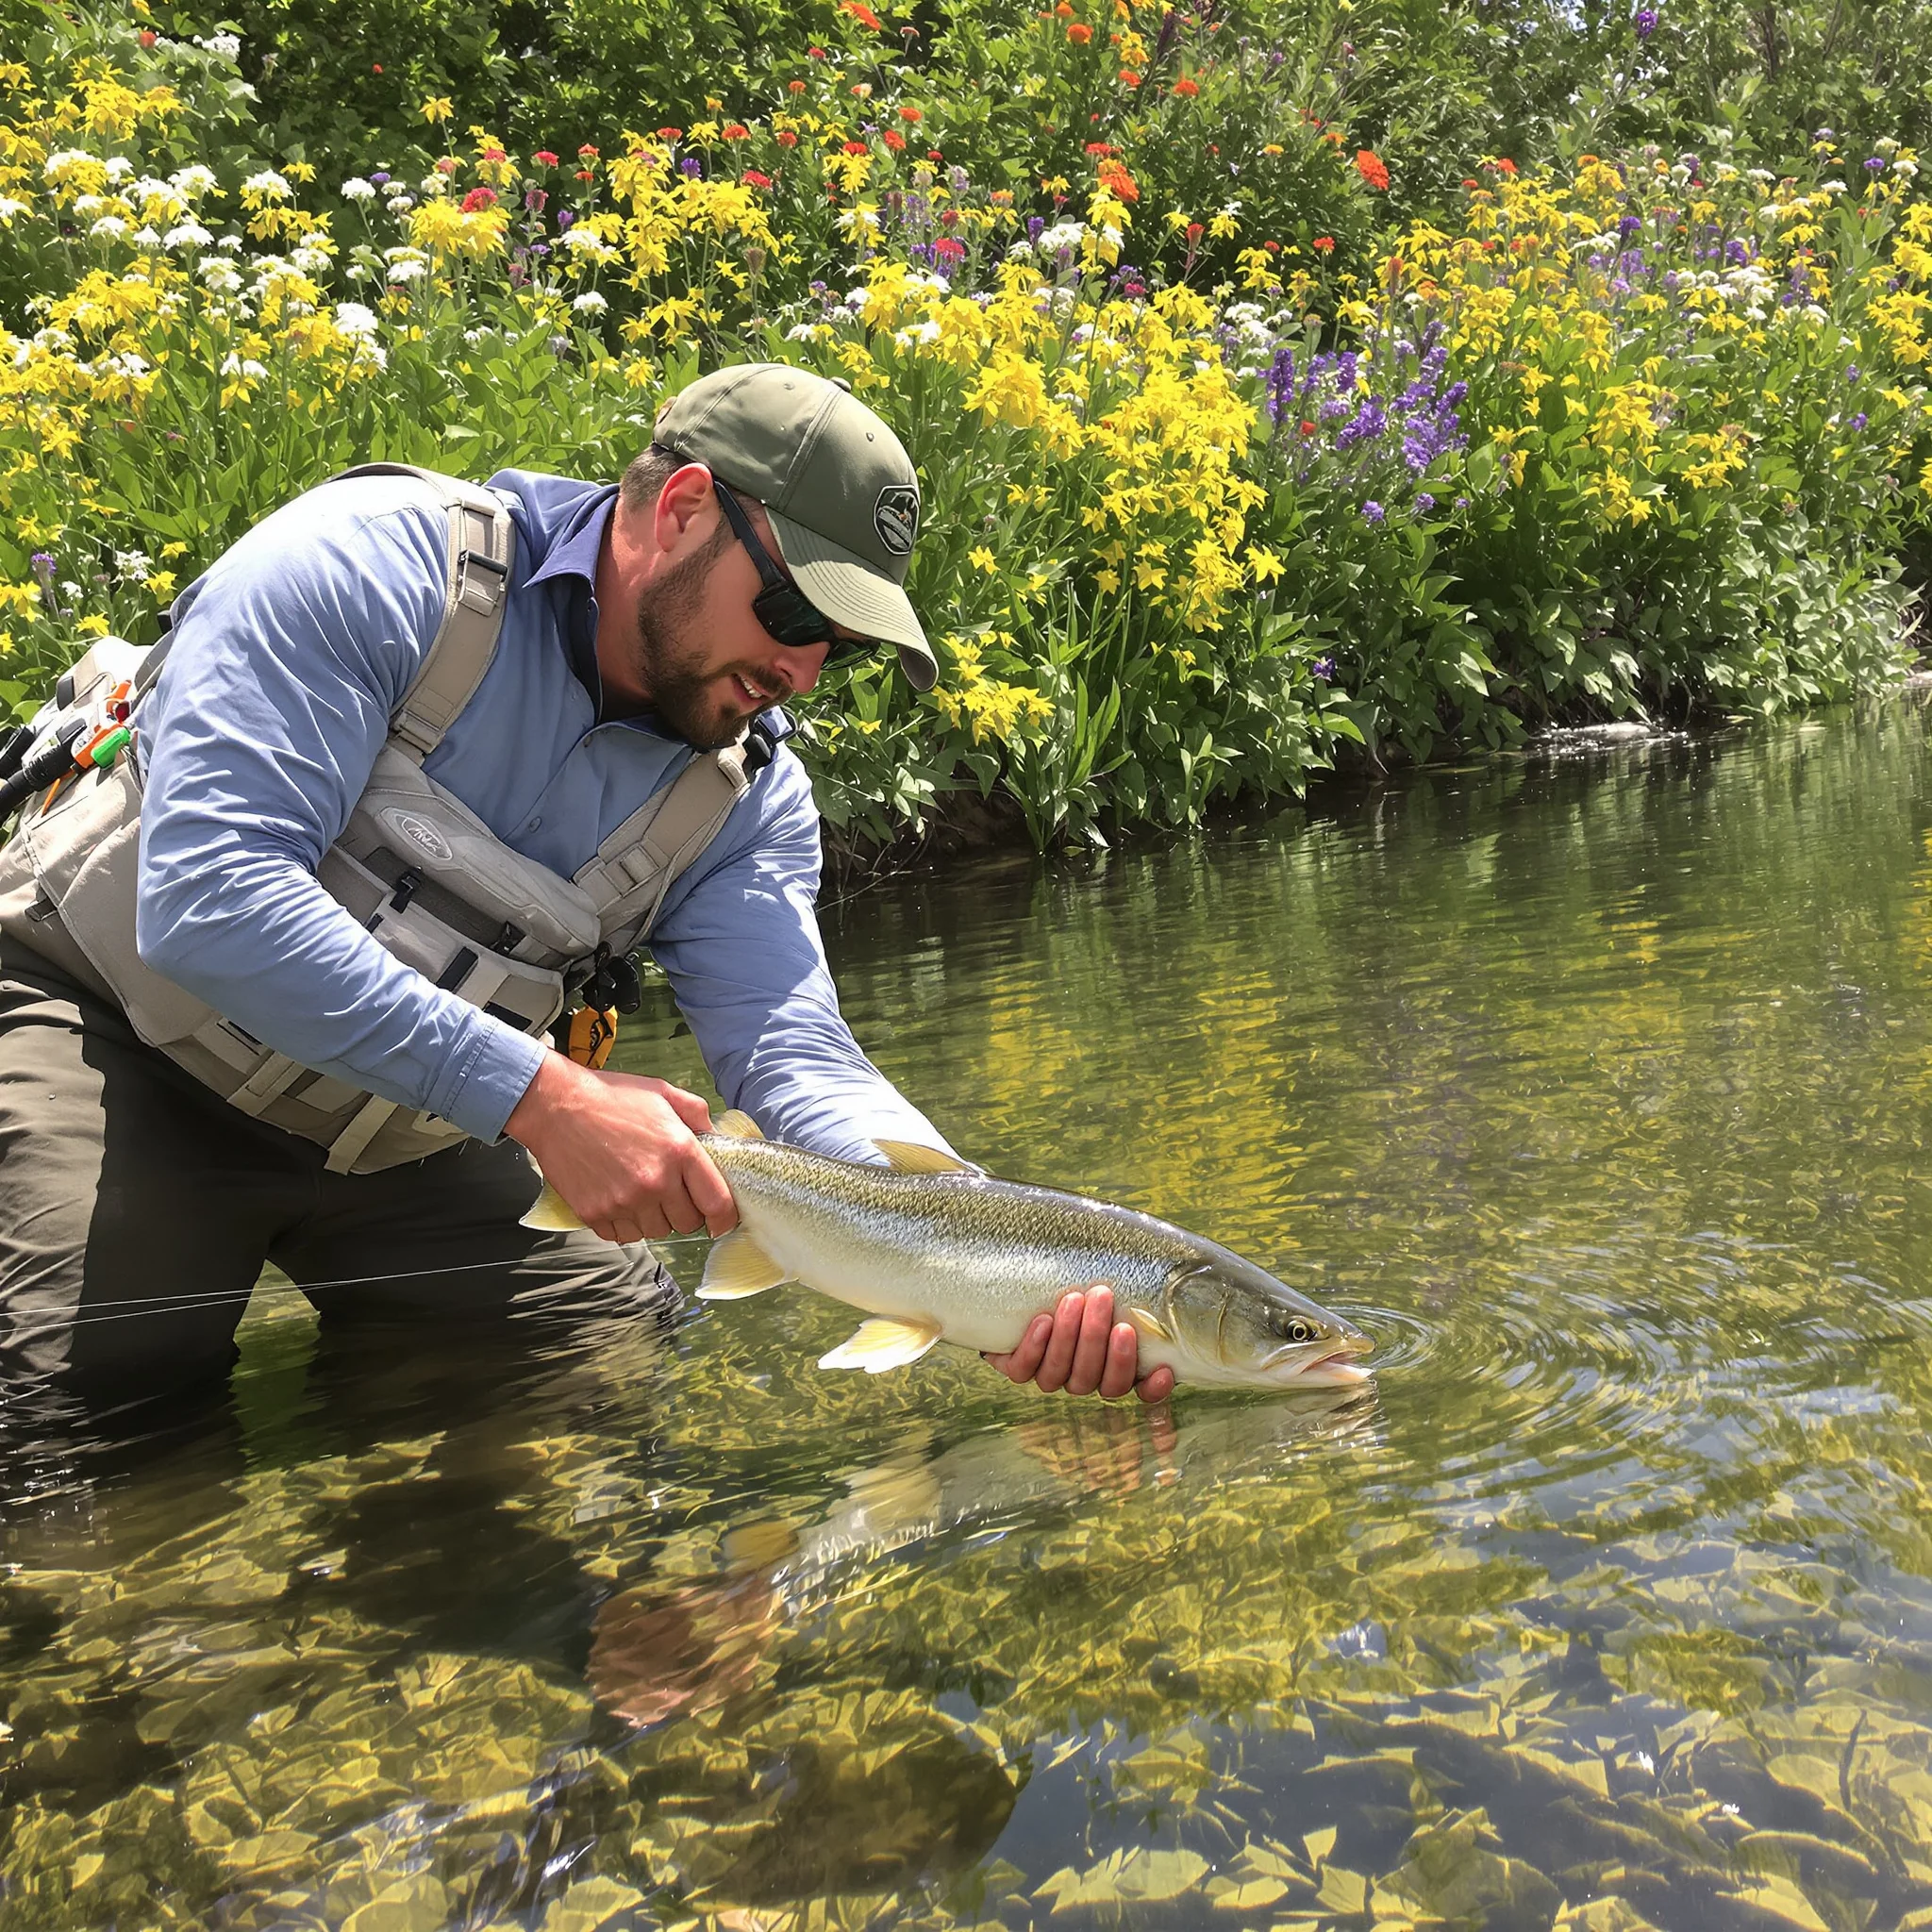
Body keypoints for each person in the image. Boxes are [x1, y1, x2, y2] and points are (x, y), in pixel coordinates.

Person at [0, 362, 1172, 1406]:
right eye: (795, 609)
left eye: (845, 644)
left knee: (596, 1360)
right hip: (117, 1030)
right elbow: (213, 896)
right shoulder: (367, 562)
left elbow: (789, 1047)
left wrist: (969, 1243)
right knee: (88, 1422)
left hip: (418, 1119)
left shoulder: (747, 796)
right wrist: (550, 1102)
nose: (804, 669)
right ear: (680, 508)